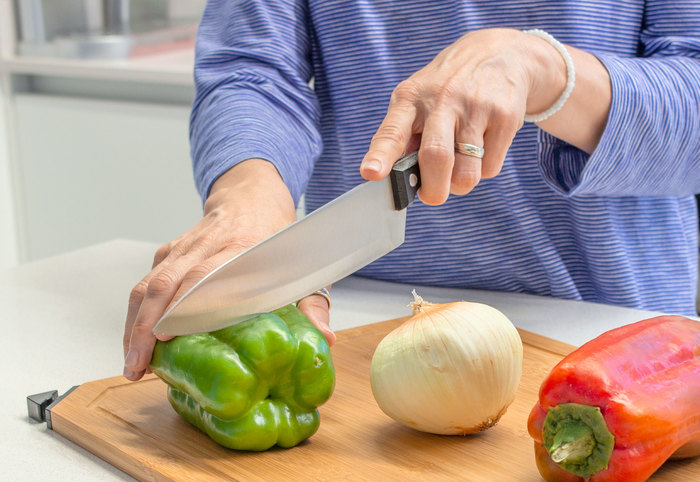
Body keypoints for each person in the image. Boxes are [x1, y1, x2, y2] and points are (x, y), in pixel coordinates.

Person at [123, 0, 700, 381]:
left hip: (615, 332)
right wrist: (249, 198)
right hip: (355, 327)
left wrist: (551, 73)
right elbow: (252, 69)